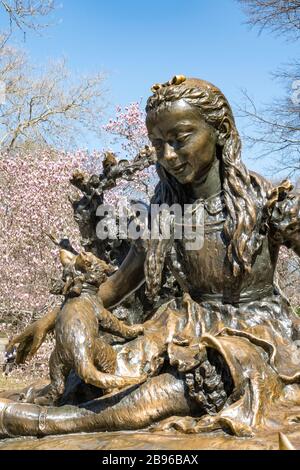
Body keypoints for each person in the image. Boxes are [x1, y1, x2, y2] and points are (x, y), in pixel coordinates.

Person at [1, 76, 300, 438]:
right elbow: (115, 287)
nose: (168, 155)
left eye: (180, 139)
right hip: (185, 325)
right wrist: (47, 323)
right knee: (98, 367)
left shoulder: (267, 201)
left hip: (253, 335)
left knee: (191, 382)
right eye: (158, 144)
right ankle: (60, 409)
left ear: (220, 131)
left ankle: (48, 423)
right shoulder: (164, 212)